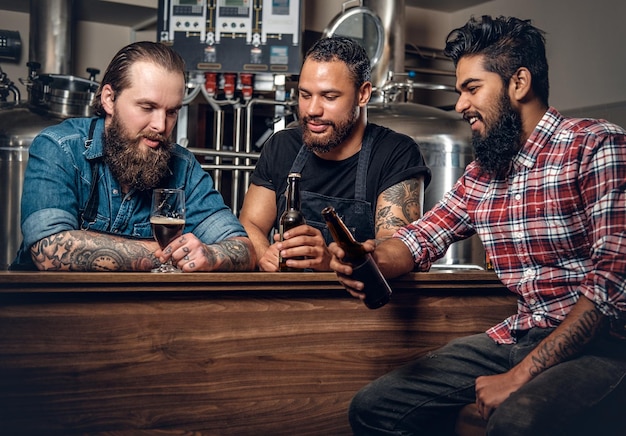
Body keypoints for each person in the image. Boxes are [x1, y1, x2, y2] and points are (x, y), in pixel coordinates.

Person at [329, 15, 626, 435]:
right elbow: (418, 240)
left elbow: (612, 284)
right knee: (375, 407)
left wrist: (519, 377)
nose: (460, 105)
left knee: (516, 422)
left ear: (518, 83)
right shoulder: (482, 175)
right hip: (520, 336)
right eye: (459, 92)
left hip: (605, 348)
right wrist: (371, 257)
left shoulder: (596, 145)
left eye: (472, 89)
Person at [12, 41, 255, 272]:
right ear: (109, 99)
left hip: (140, 310)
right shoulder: (59, 147)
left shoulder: (183, 167)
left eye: (171, 111)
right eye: (147, 107)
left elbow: (244, 249)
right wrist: (165, 255)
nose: (161, 125)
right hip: (50, 308)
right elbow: (49, 249)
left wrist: (211, 255)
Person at [239, 36, 431, 272]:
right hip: (286, 301)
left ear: (363, 94)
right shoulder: (282, 146)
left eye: (329, 97)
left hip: (359, 304)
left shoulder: (396, 153)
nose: (312, 110)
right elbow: (251, 223)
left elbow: (397, 247)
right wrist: (264, 254)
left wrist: (333, 261)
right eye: (305, 95)